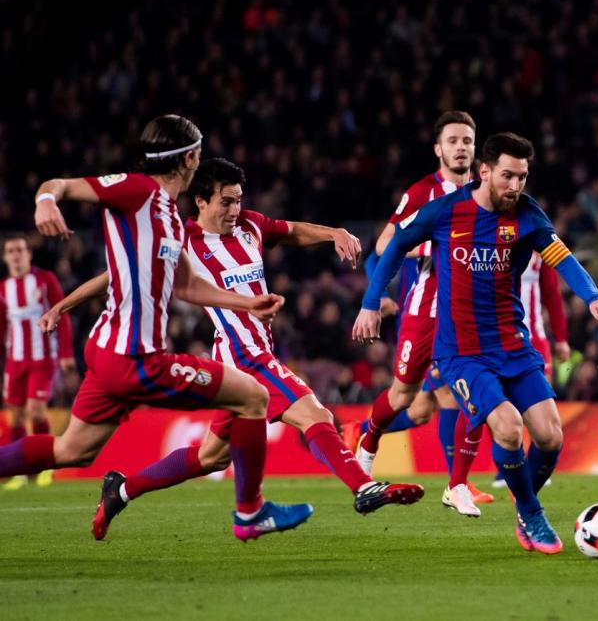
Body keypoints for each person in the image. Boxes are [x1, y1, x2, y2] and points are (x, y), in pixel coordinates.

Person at [43, 158, 426, 538]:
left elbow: (291, 230)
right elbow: (116, 275)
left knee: (212, 457)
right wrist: (63, 304)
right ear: (202, 202)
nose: (234, 210)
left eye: (238, 200)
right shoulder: (181, 240)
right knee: (316, 415)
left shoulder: (250, 226)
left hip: (247, 356)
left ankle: (121, 490)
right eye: (225, 202)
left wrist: (333, 233)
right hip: (244, 356)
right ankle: (364, 487)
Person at [0, 114, 311, 541]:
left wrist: (246, 303)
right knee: (253, 396)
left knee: (71, 449)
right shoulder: (138, 190)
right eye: (197, 152)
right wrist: (46, 201)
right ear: (189, 159)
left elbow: (185, 284)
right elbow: (59, 184)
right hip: (136, 358)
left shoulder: (165, 213)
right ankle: (250, 514)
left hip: (110, 351)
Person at [353, 132, 598, 554]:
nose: (515, 186)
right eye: (507, 176)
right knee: (508, 426)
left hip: (513, 346)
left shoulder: (529, 216)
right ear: (484, 172)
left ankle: (523, 504)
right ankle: (532, 514)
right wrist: (372, 302)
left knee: (552, 438)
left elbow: (562, 259)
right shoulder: (445, 211)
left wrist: (591, 296)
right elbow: (393, 248)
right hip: (462, 353)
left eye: (522, 177)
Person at [353, 111, 493, 515]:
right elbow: (384, 244)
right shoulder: (421, 193)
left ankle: (457, 484)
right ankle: (369, 438)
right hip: (425, 310)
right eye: (453, 140)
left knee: (474, 396)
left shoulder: (488, 193)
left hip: (470, 316)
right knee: (405, 398)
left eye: (467, 140)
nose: (461, 147)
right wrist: (434, 244)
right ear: (439, 149)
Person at [0, 235, 76, 489]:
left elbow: (62, 316)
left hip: (42, 358)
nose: (16, 255)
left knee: (36, 411)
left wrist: (66, 353)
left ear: (28, 254)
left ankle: (42, 467)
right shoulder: (3, 288)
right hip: (15, 360)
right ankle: (15, 471)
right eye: (11, 251)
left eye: (20, 249)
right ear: (5, 257)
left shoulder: (44, 280)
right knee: (17, 416)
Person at [490, 252, 568, 489]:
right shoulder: (490, 245)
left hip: (536, 341)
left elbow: (552, 294)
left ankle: (534, 464)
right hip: (499, 340)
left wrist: (561, 337)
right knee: (498, 406)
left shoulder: (538, 245)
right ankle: (506, 467)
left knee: (540, 405)